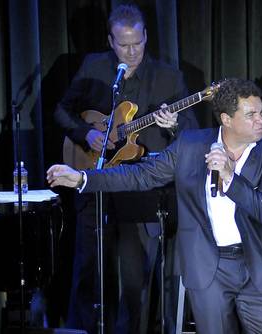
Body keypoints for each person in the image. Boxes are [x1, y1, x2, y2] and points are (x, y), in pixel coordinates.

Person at [48, 78, 262, 333]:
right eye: (251, 114)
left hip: (255, 266)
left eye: (261, 112)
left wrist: (230, 177)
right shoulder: (190, 145)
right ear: (226, 119)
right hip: (208, 266)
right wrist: (83, 178)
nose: (261, 119)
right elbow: (140, 175)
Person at [54, 3, 198, 334]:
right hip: (94, 181)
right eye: (124, 44)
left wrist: (174, 125)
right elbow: (61, 110)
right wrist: (85, 132)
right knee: (88, 266)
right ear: (110, 40)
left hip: (143, 190)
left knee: (137, 278)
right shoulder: (93, 67)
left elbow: (192, 134)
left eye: (138, 43)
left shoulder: (169, 77)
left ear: (146, 36)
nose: (132, 52)